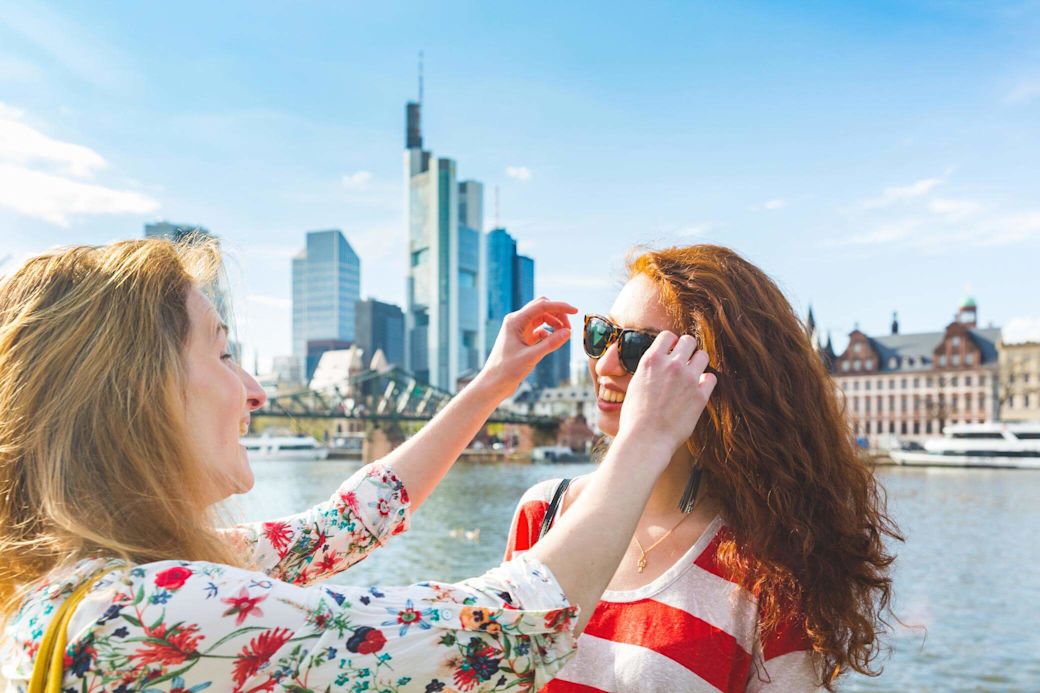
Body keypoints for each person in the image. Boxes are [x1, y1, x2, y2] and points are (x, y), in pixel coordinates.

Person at [0, 238, 715, 692]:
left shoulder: (87, 582)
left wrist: (492, 384)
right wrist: (645, 437)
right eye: (223, 353)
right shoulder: (146, 609)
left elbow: (344, 523)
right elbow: (511, 630)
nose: (255, 389)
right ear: (137, 397)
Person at [505, 244, 902, 692]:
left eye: (641, 349)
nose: (606, 365)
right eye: (602, 335)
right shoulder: (544, 513)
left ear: (723, 376)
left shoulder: (772, 560)